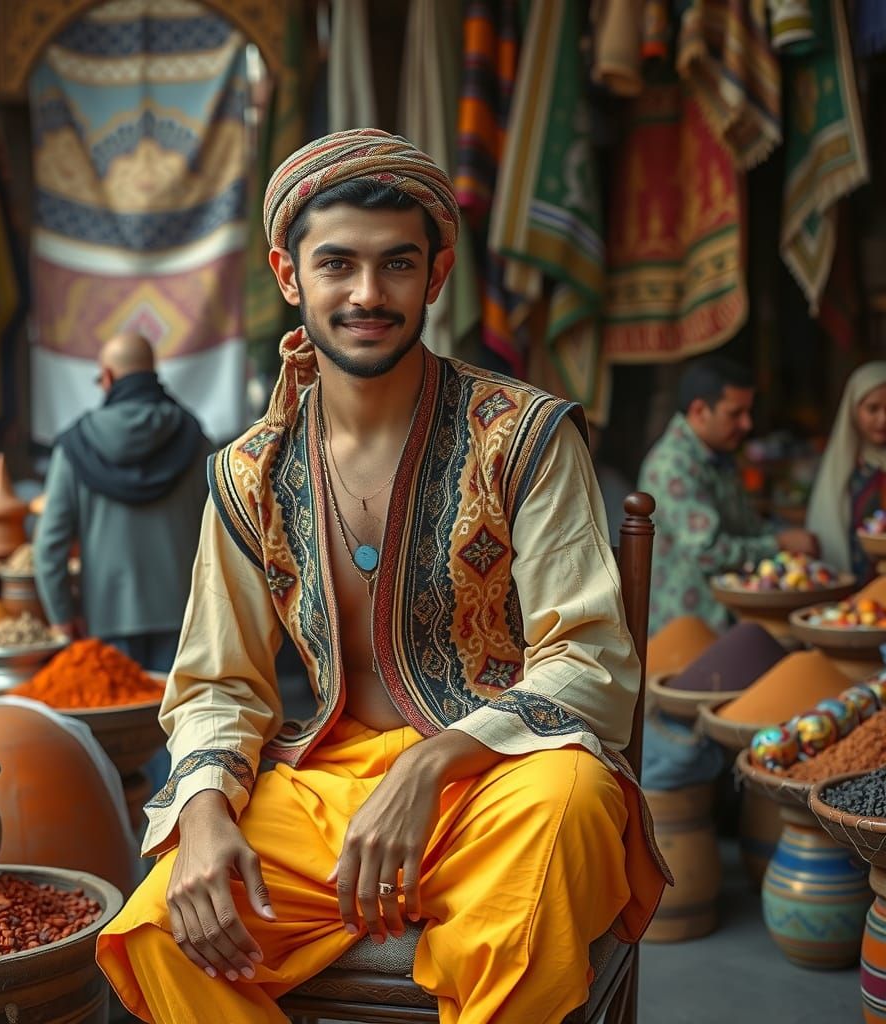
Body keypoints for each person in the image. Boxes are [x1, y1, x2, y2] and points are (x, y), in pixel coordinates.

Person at [96, 129, 670, 1024]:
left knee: (570, 809)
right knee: (164, 925)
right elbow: (216, 684)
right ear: (290, 275)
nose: (368, 294)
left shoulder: (522, 437)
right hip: (327, 790)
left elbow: (590, 659)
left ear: (436, 276)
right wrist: (204, 811)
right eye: (338, 265)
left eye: (397, 265)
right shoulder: (248, 473)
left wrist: (434, 766)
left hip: (501, 781)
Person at [33, 331, 212, 674]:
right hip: (187, 619)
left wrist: (62, 616)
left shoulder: (74, 446)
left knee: (121, 724)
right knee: (181, 724)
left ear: (109, 376)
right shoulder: (195, 438)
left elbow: (49, 547)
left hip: (105, 622)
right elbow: (223, 532)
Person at [639, 356, 819, 634]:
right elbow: (707, 551)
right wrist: (780, 543)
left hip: (725, 620)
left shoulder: (718, 455)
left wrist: (789, 538)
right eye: (735, 413)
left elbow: (748, 527)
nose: (747, 424)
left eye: (748, 412)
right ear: (699, 411)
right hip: (687, 630)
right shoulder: (673, 466)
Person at [806, 361, 886, 582]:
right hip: (852, 594)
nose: (883, 419)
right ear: (853, 410)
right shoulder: (843, 466)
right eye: (872, 409)